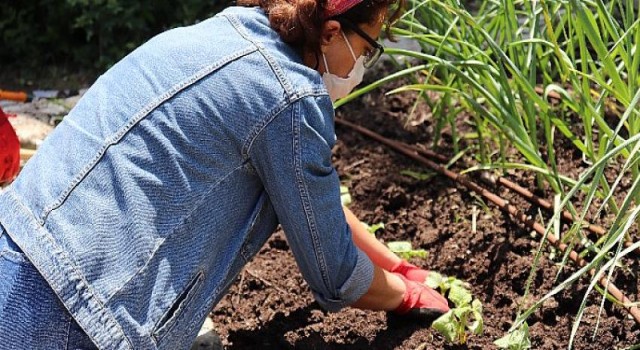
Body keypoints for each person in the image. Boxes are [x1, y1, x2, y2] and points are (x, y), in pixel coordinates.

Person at [0, 0, 450, 349]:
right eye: (367, 49)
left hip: (15, 247)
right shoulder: (290, 96)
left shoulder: (215, 36)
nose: (362, 65)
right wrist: (404, 295)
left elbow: (314, 209)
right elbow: (335, 274)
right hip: (71, 313)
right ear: (332, 32)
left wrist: (396, 266)